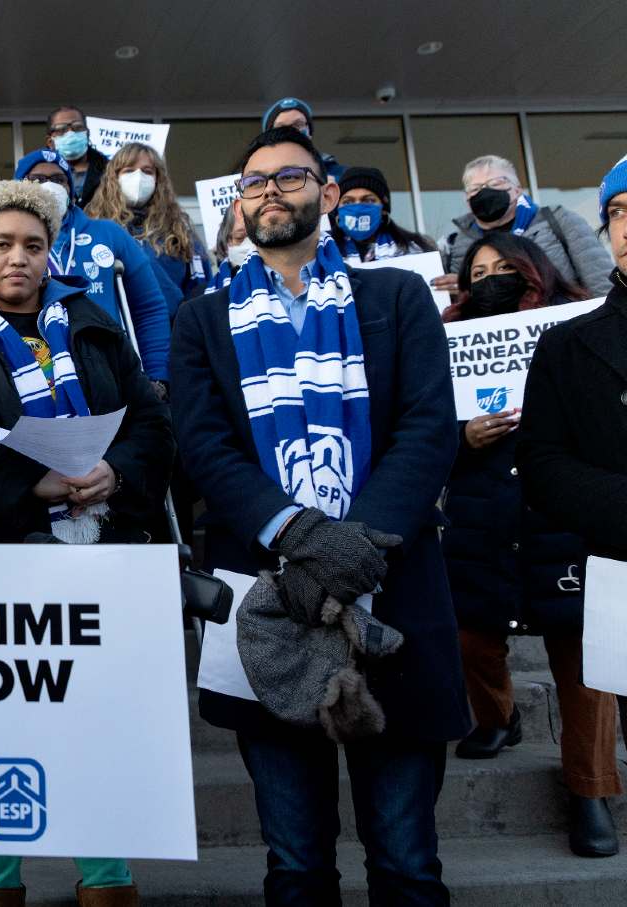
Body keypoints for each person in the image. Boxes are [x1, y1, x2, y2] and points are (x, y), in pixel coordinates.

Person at [170, 127, 468, 905]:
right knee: (296, 864)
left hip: (391, 589)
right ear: (239, 206)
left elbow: (429, 427)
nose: (269, 192)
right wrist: (300, 535)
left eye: (289, 177)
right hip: (269, 605)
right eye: (254, 183)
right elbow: (202, 444)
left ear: (328, 195)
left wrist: (355, 543)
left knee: (406, 861)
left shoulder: (397, 296)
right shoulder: (202, 321)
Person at [0, 179, 171, 905]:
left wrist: (116, 472)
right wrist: (21, 486)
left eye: (34, 245)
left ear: (52, 250)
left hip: (101, 552)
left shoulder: (93, 319)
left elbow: (151, 425)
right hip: (0, 561)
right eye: (2, 244)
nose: (19, 258)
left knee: (96, 721)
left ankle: (107, 879)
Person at [438, 232, 620, 857]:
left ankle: (590, 789)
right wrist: (462, 436)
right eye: (478, 271)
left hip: (561, 516)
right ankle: (497, 717)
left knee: (582, 661)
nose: (491, 279)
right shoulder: (442, 344)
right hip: (482, 521)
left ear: (535, 272)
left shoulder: (576, 338)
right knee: (473, 638)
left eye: (505, 268)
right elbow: (418, 434)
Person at [517, 155, 627, 840]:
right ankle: (591, 789)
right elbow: (542, 463)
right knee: (591, 681)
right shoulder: (567, 346)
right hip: (607, 556)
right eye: (620, 213)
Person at [15, 148, 174, 381]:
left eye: (59, 180)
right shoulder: (10, 243)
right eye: (37, 179)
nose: (49, 186)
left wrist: (157, 374)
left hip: (107, 370)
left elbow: (149, 308)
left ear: (70, 189)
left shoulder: (109, 233)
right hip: (37, 372)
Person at [435, 154, 614, 297]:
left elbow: (600, 280)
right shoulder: (455, 246)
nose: (485, 191)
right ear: (467, 199)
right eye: (475, 189)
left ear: (517, 189)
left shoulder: (558, 221)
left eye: (496, 183)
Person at [86, 141, 211, 301]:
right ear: (114, 178)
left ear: (158, 179)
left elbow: (200, 291)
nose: (138, 177)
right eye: (129, 170)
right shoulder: (95, 228)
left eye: (147, 171)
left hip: (171, 324)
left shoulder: (179, 230)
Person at [328, 166, 436, 264]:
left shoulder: (417, 246)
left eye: (368, 201)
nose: (358, 209)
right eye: (348, 202)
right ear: (338, 208)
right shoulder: (321, 248)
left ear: (384, 208)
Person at [261, 97, 344, 180]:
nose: (291, 131)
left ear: (309, 132)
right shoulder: (256, 177)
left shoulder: (342, 176)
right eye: (281, 127)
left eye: (298, 124)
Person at [44, 105, 110, 206]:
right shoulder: (39, 175)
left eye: (77, 127)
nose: (70, 133)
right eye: (61, 129)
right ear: (50, 142)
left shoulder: (109, 170)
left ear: (87, 134)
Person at [209, 199, 252, 290]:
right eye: (240, 238)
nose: (250, 243)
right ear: (227, 242)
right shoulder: (202, 298)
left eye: (255, 237)